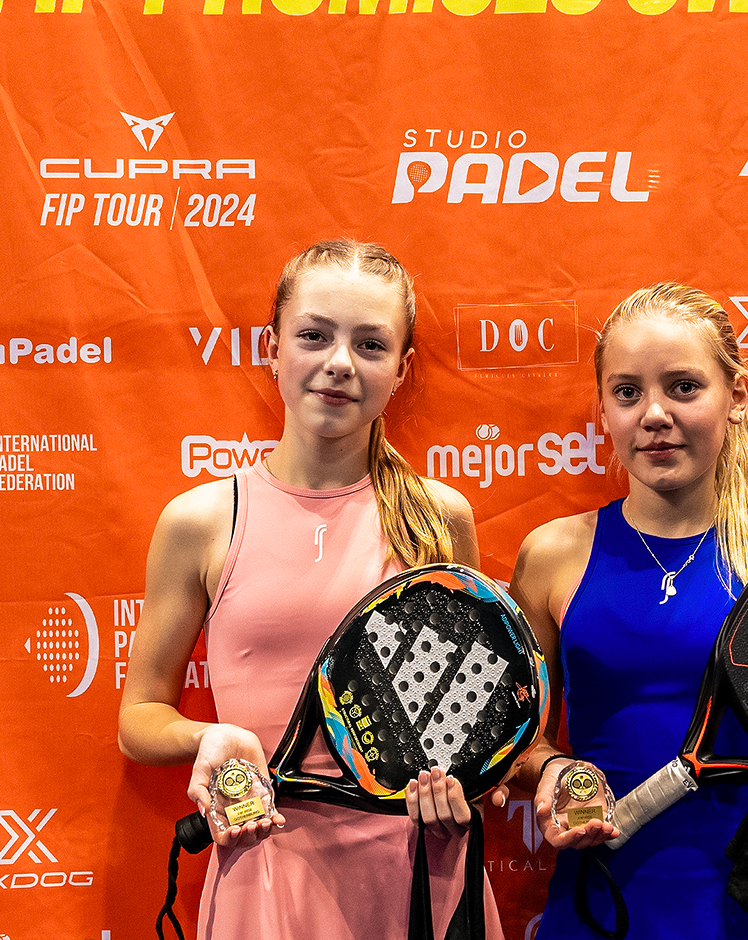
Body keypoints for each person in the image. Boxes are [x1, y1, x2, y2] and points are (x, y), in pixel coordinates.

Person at [118, 239, 501, 940]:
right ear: (273, 348)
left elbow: (474, 716)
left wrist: (472, 781)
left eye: (370, 344)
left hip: (421, 867)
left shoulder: (439, 519)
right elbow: (139, 716)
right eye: (314, 336)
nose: (339, 363)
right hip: (265, 865)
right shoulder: (201, 521)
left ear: (401, 369)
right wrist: (208, 736)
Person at [507, 283, 748, 939]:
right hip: (597, 907)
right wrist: (554, 770)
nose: (654, 414)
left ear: (735, 397)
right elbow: (514, 744)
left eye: (683, 387)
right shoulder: (551, 556)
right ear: (603, 408)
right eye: (628, 392)